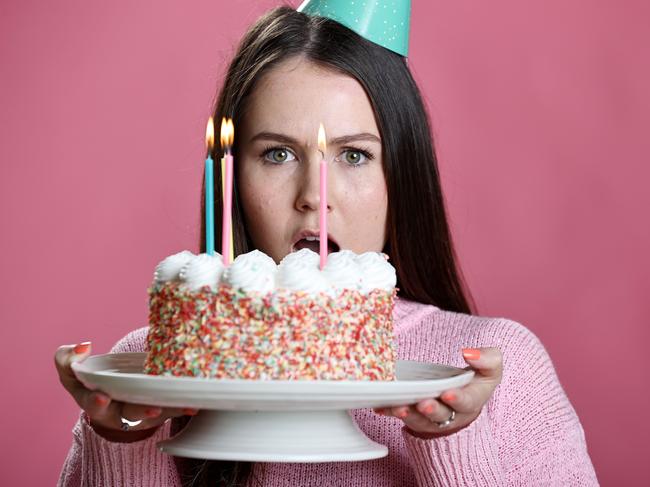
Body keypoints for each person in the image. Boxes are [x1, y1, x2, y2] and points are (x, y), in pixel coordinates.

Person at [56, 4, 599, 486]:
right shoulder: (151, 368)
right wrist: (124, 442)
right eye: (277, 154)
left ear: (402, 174)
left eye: (355, 155)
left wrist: (450, 440)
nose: (315, 197)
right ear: (231, 176)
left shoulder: (494, 373)